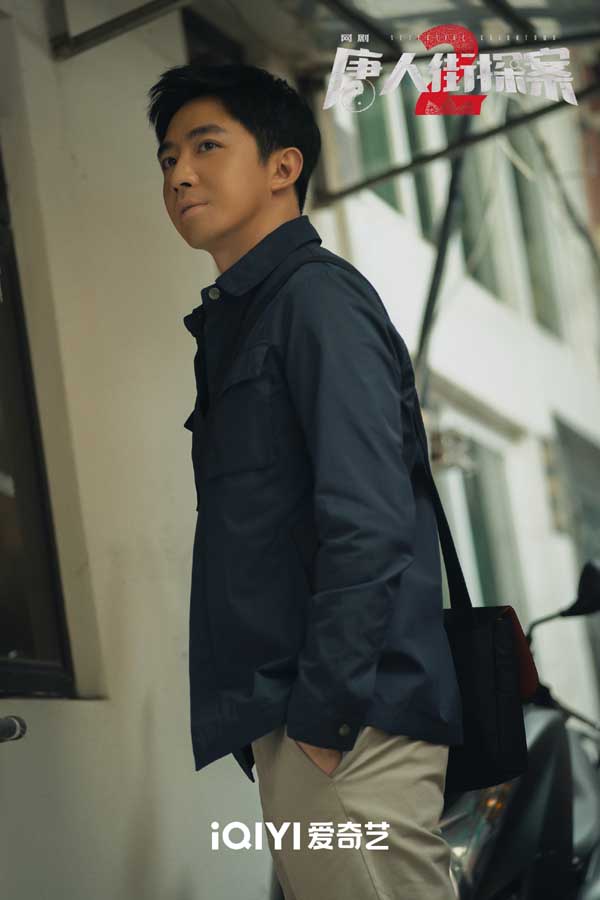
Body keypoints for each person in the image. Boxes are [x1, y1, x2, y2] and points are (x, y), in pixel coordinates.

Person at [147, 60, 463, 900]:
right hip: (307, 719)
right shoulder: (246, 319)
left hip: (349, 722)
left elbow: (368, 520)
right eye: (168, 157)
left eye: (206, 146)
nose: (179, 174)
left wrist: (324, 719)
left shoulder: (316, 302)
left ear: (283, 166)